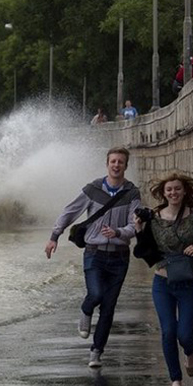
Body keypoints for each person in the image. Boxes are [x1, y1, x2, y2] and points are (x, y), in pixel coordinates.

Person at [45, 147, 141, 368]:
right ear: (107, 164)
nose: (116, 165)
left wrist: (118, 232)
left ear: (126, 166)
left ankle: (96, 352)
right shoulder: (93, 188)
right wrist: (54, 236)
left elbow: (134, 226)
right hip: (94, 254)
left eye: (121, 162)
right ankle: (86, 309)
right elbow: (70, 211)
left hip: (119, 257)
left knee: (108, 307)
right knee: (96, 294)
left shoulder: (132, 193)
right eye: (113, 161)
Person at [133, 173, 193, 386]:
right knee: (168, 331)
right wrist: (138, 229)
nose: (173, 193)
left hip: (188, 282)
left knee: (184, 334)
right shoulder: (154, 217)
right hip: (162, 284)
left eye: (177, 189)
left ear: (184, 191)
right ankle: (175, 379)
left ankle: (190, 351)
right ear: (163, 193)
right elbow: (145, 249)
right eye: (169, 190)